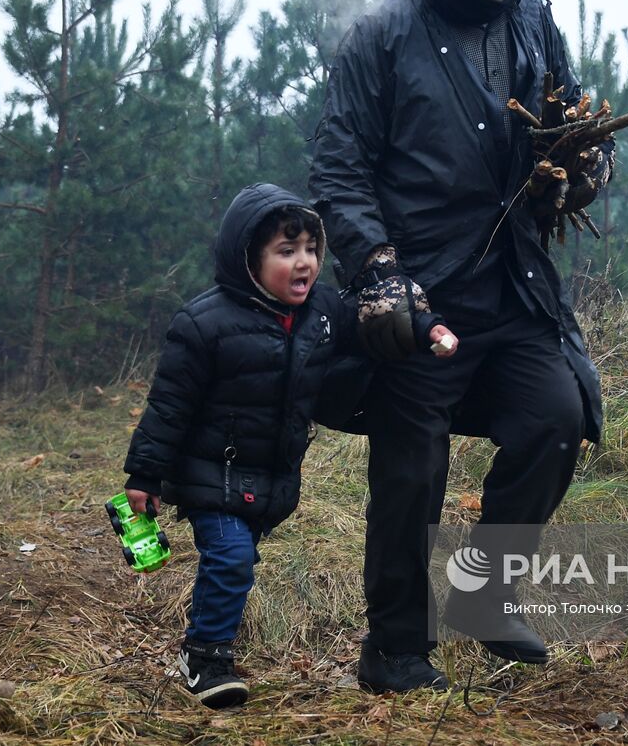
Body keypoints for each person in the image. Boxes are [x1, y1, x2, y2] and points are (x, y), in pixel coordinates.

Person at [309, 0, 608, 693]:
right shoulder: (381, 36)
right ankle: (396, 649)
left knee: (556, 416)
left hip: (514, 290)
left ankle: (485, 597)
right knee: (413, 472)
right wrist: (376, 271)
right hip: (420, 298)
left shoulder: (535, 23)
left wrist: (581, 169)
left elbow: (571, 126)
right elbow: (338, 170)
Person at [122, 183, 457, 708]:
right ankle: (205, 656)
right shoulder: (203, 324)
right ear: (249, 259)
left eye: (310, 250)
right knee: (231, 556)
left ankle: (209, 640)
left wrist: (424, 328)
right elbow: (169, 407)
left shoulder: (322, 310)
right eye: (286, 251)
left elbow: (372, 324)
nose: (304, 263)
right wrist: (144, 476)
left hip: (271, 477)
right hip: (212, 471)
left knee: (236, 560)